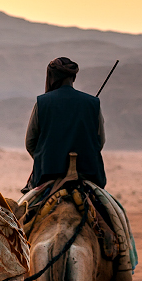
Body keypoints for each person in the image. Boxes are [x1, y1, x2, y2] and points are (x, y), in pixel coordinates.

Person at [25, 57, 106, 190]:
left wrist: (46, 159)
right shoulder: (92, 103)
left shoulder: (42, 103)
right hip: (88, 175)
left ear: (52, 78)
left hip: (47, 174)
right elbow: (100, 141)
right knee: (109, 204)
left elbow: (30, 143)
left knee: (25, 203)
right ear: (73, 77)